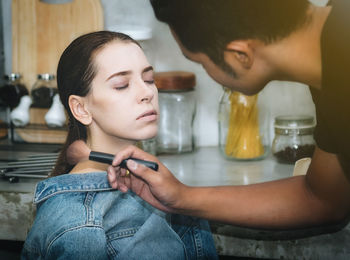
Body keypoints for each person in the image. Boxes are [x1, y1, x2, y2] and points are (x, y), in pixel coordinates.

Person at [107, 0, 350, 231]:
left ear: (240, 55)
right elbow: (322, 198)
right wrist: (181, 197)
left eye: (200, 63)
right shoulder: (332, 55)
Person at [21, 31, 217, 259]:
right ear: (81, 109)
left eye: (149, 79)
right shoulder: (79, 224)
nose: (147, 93)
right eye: (122, 84)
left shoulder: (162, 185)